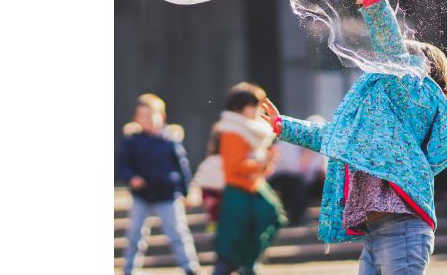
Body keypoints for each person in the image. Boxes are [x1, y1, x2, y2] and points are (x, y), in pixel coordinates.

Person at [260, 0, 447, 275]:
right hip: (377, 230)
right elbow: (332, 136)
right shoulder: (377, 126)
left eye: (397, 60)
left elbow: (394, 57)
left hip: (402, 228)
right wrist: (283, 126)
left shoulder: (409, 94)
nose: (379, 64)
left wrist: (376, 7)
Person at [116, 94, 200, 275]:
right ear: (136, 119)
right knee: (135, 235)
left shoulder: (170, 141)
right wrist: (131, 177)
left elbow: (182, 167)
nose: (146, 120)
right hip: (142, 195)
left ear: (161, 116)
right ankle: (129, 269)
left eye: (150, 115)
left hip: (167, 195)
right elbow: (123, 165)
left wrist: (186, 192)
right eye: (142, 116)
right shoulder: (132, 142)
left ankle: (189, 267)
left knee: (178, 233)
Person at [212, 83, 287, 275]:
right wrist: (262, 163)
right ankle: (248, 264)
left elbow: (257, 164)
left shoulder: (251, 130)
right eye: (252, 105)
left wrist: (265, 163)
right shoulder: (232, 131)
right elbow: (234, 165)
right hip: (238, 190)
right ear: (239, 107)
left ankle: (250, 263)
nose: (256, 110)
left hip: (252, 187)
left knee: (268, 219)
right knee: (234, 242)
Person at [268, 115, 328, 225]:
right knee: (295, 182)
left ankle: (333, 219)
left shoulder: (320, 147)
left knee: (332, 182)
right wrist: (309, 152)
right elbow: (295, 169)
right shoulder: (288, 142)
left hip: (305, 182)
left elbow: (323, 170)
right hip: (282, 180)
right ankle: (297, 218)